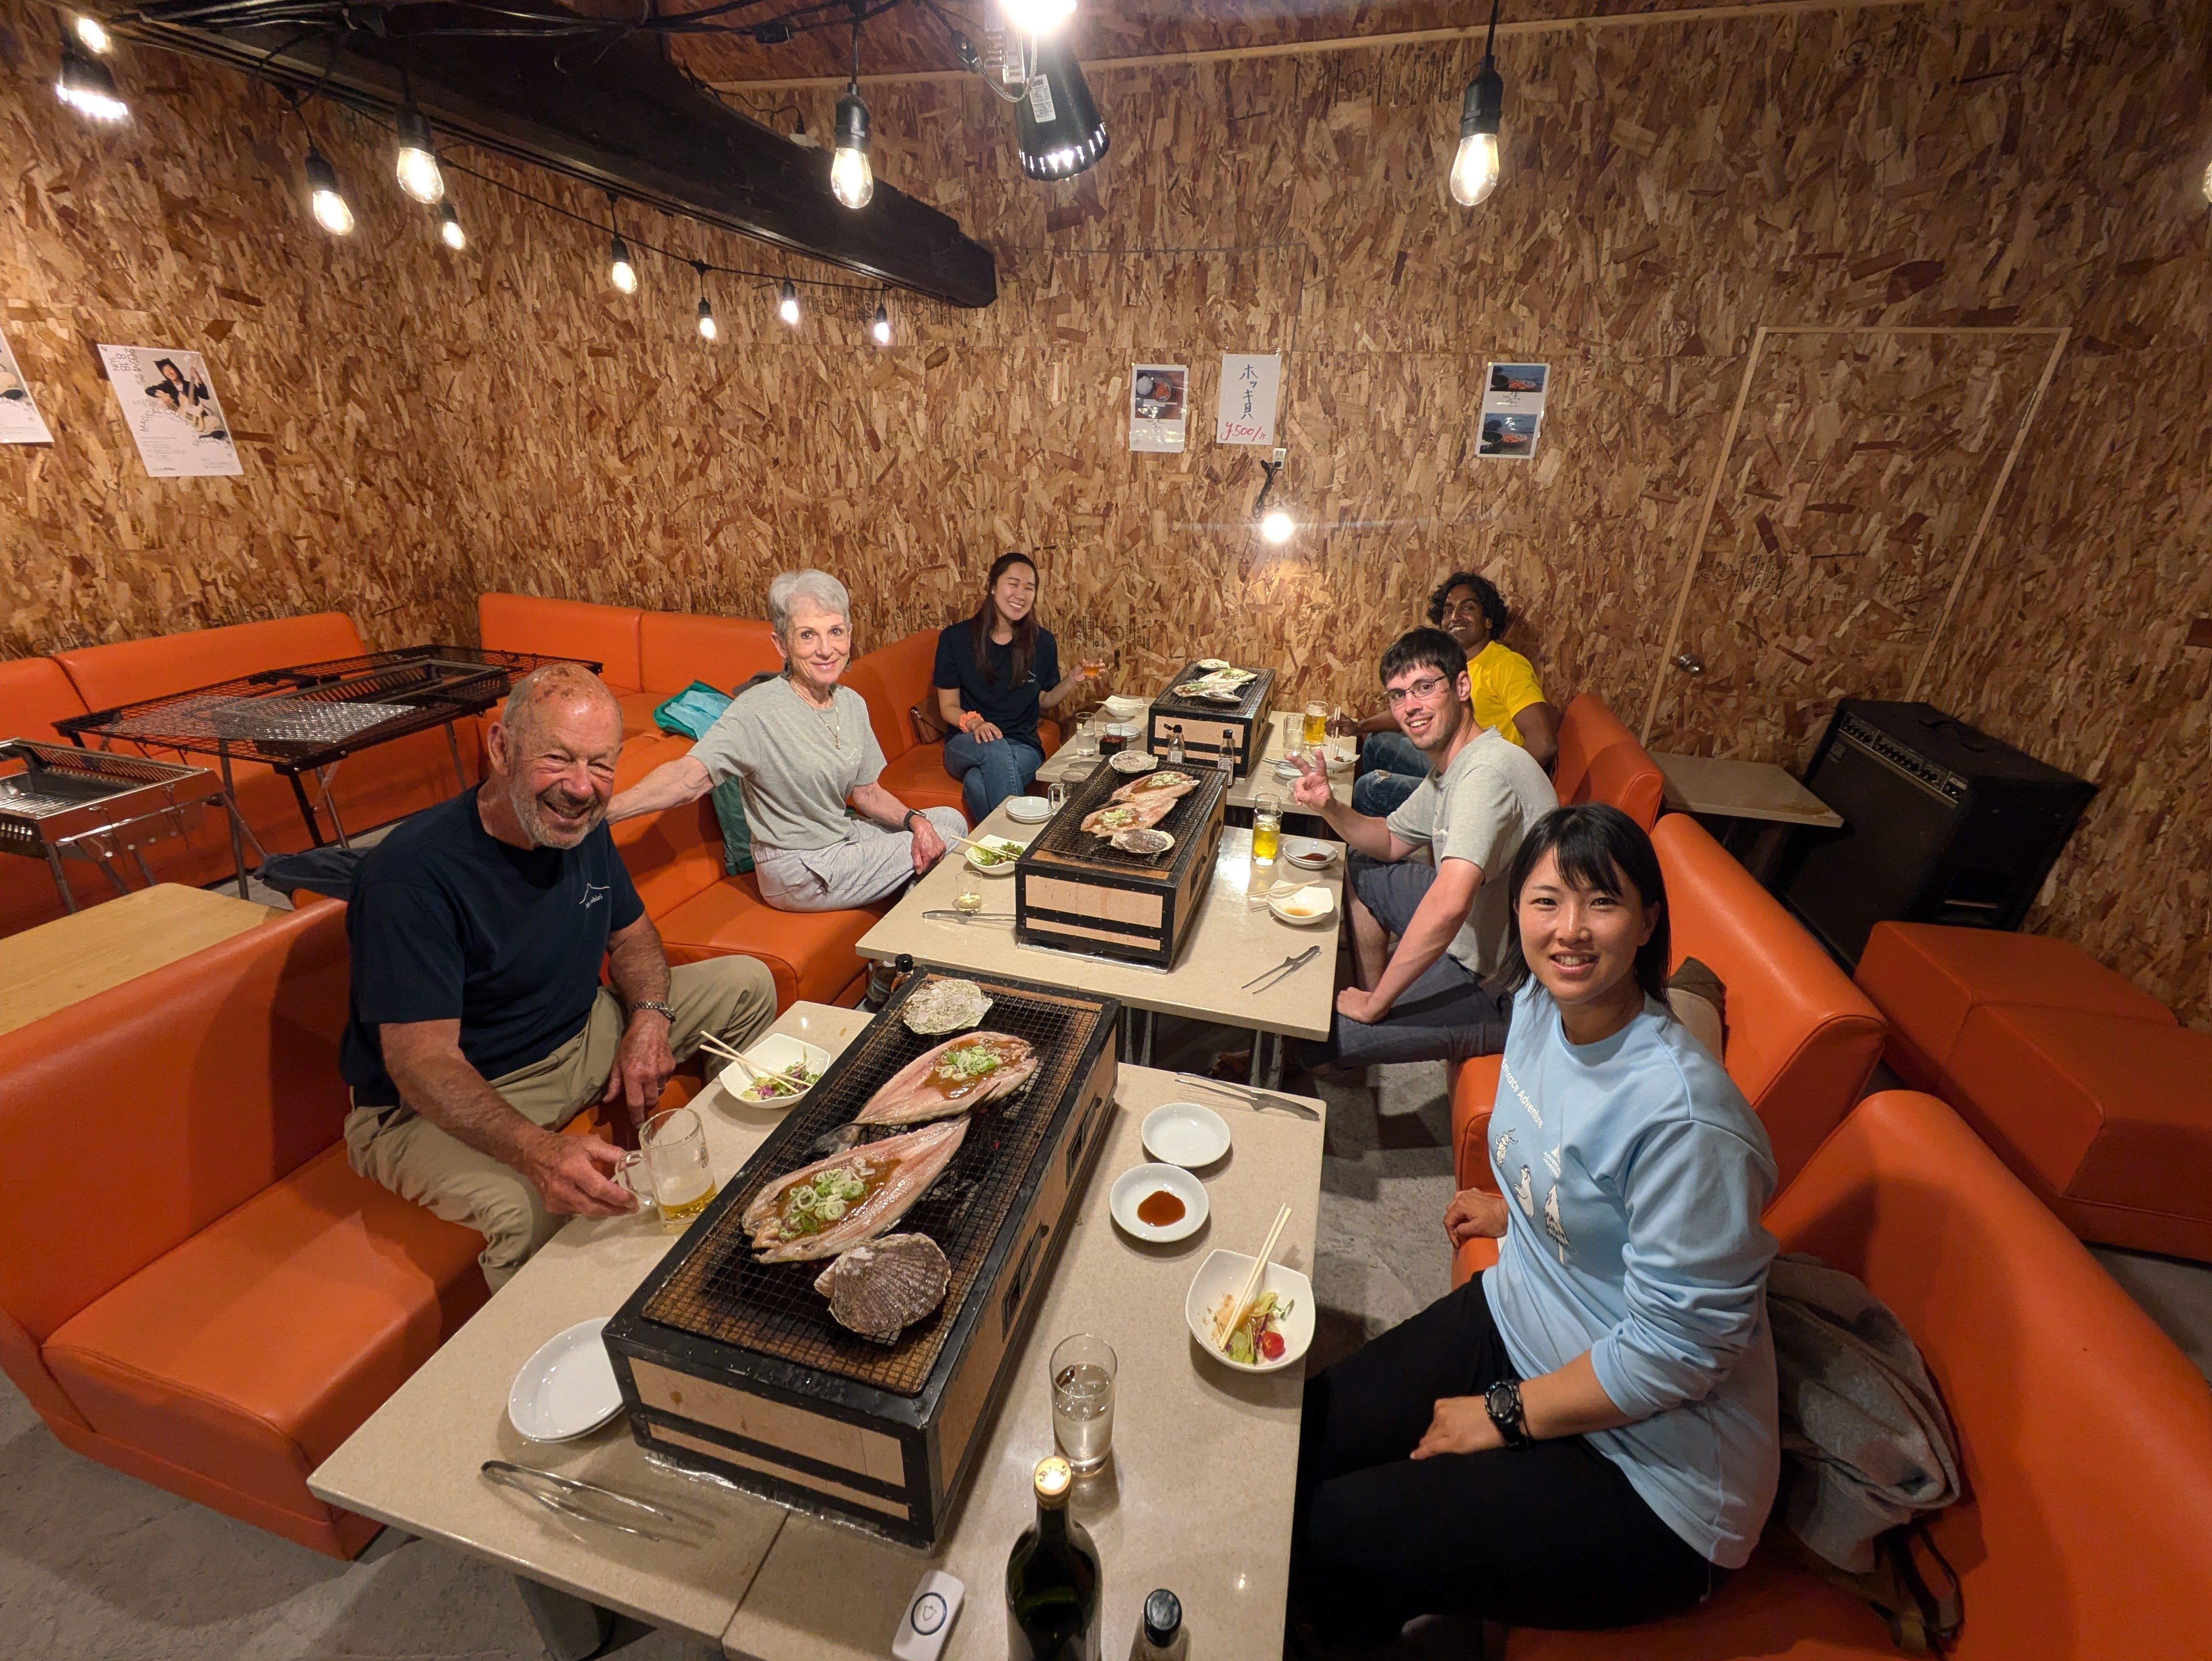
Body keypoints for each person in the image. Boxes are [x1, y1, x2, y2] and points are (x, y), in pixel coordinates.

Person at [1292, 803, 1780, 1641]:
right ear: (1514, 907)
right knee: (1299, 1438)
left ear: (1647, 921)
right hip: (1525, 1312)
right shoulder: (1531, 1008)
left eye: (1602, 902)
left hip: (1659, 1477)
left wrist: (1502, 1411)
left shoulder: (1684, 1118)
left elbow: (1679, 1355)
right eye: (1546, 900)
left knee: (1337, 1534)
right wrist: (1524, 1213)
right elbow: (1577, 1174)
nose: (1570, 931)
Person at [340, 663, 777, 1289]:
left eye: (601, 764)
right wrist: (540, 1152)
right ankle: (539, 1367)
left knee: (745, 982)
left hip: (579, 1035)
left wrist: (652, 1016)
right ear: (501, 748)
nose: (581, 786)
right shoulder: (411, 876)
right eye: (559, 759)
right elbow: (422, 1064)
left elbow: (633, 940)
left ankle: (736, 1187)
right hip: (444, 1096)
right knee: (528, 1207)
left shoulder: (581, 828)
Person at [608, 569, 965, 910]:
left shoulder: (851, 703)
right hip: (798, 869)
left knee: (949, 822)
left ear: (850, 634)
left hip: (842, 840)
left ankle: (895, 955)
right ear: (781, 645)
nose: (826, 650)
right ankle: (898, 959)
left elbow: (868, 794)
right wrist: (608, 811)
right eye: (808, 635)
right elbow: (688, 777)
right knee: (946, 843)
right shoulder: (757, 710)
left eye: (836, 631)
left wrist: (917, 822)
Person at [1287, 627, 1554, 1070]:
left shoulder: (1485, 775)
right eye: (1397, 695)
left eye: (1425, 688)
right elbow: (1390, 841)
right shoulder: (1456, 762)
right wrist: (1330, 807)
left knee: (1321, 1036)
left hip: (1502, 987)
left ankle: (1359, 1015)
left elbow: (1450, 904)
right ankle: (1377, 985)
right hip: (1476, 933)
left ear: (1462, 687)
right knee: (1363, 863)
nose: (1410, 707)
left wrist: (1377, 1006)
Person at [1334, 571, 1561, 817]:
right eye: (1448, 610)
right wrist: (1361, 727)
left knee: (1370, 789)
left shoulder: (1507, 665)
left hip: (1481, 779)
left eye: (1468, 608)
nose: (1455, 617)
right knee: (1376, 745)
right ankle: (1406, 833)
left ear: (1488, 620)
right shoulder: (1453, 664)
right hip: (1450, 759)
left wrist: (1492, 789)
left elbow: (1544, 743)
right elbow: (1415, 709)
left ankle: (1397, 843)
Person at [934, 552, 1103, 819]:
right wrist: (977, 724)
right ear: (992, 586)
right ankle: (1030, 840)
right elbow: (948, 707)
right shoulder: (955, 639)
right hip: (966, 742)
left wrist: (1073, 679)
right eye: (1012, 584)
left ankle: (1009, 852)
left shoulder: (1042, 642)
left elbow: (1044, 700)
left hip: (1023, 745)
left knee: (977, 783)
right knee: (994, 746)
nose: (1020, 594)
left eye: (1029, 588)